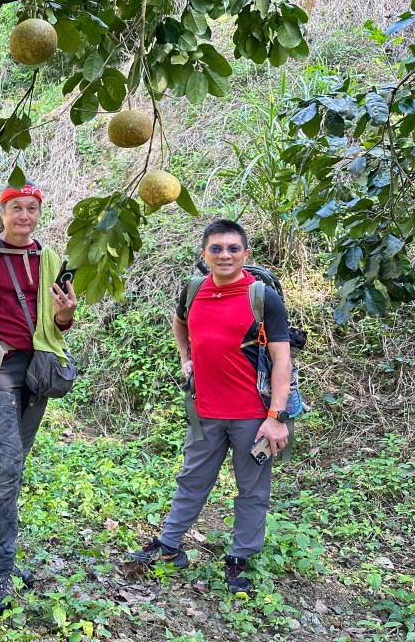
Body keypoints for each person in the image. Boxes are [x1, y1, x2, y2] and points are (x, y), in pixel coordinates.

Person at [126, 219, 292, 593]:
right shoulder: (194, 290)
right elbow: (180, 322)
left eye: (233, 248)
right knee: (192, 479)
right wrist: (185, 357)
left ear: (246, 254)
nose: (225, 255)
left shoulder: (263, 298)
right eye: (216, 248)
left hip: (254, 415)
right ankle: (169, 546)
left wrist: (276, 417)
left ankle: (239, 559)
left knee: (252, 490)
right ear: (204, 254)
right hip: (204, 411)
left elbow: (283, 359)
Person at [0, 181, 77, 613]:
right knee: (6, 465)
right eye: (16, 208)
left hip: (37, 371)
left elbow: (57, 325)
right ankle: (0, 568)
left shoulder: (49, 259)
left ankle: (0, 549)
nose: (24, 216)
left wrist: (65, 315)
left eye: (32, 208)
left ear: (39, 213)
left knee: (15, 464)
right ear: (2, 213)